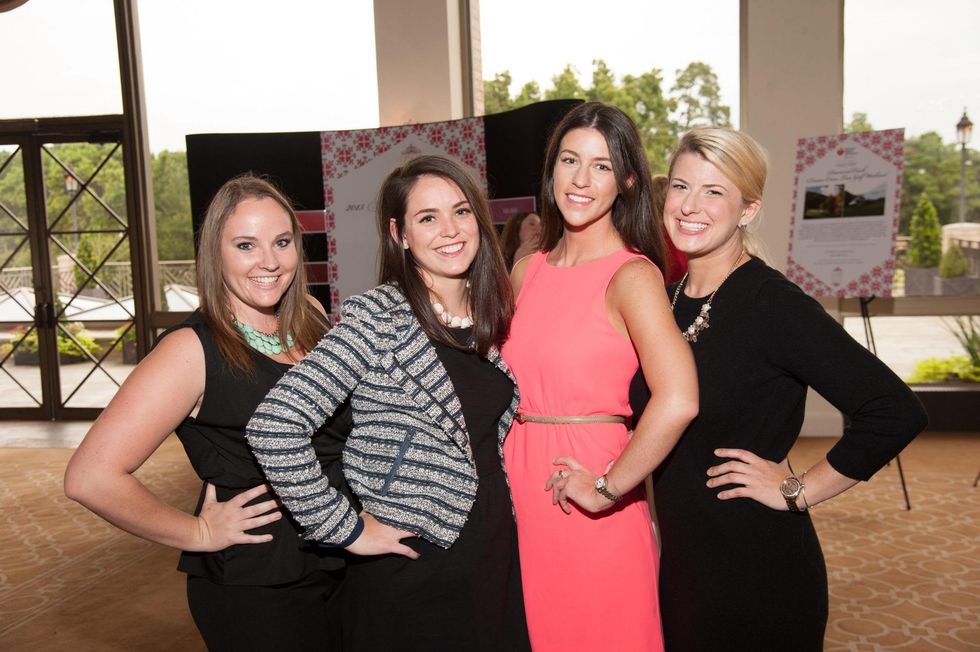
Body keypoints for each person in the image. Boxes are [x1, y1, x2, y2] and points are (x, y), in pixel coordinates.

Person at [630, 127, 928, 651]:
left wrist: (800, 489)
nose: (689, 206)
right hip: (681, 564)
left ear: (747, 210)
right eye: (680, 187)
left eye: (713, 191)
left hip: (757, 570)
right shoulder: (665, 299)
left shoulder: (773, 303)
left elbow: (893, 410)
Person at [245, 155, 531, 651]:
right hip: (412, 566)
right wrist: (343, 528)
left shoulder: (493, 317)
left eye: (461, 212)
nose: (450, 230)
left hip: (494, 554)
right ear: (399, 234)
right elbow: (274, 425)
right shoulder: (378, 318)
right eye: (427, 217)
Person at [64, 174, 352, 650]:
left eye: (282, 242)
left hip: (343, 556)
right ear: (214, 254)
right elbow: (90, 477)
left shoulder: (310, 316)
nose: (269, 261)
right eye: (245, 245)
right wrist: (196, 531)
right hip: (262, 581)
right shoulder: (190, 350)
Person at [501, 101, 699, 651]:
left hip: (586, 485)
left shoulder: (632, 275)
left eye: (602, 165)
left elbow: (679, 398)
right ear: (551, 170)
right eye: (569, 160)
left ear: (627, 181)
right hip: (520, 484)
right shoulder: (526, 269)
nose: (581, 180)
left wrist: (609, 486)